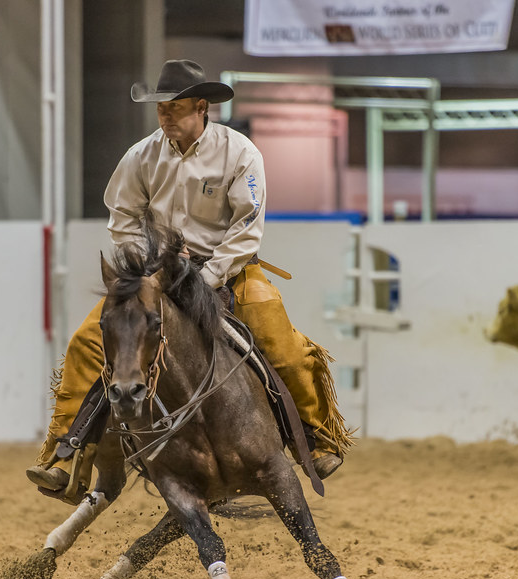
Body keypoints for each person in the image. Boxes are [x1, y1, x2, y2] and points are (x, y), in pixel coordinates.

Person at [26, 59, 352, 503]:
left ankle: (313, 440)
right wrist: (147, 264)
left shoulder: (240, 153)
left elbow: (246, 227)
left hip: (229, 270)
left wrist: (209, 275)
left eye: (174, 108)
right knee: (88, 341)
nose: (165, 116)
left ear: (202, 107)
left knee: (282, 343)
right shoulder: (141, 156)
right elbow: (122, 220)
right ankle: (63, 454)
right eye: (161, 109)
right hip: (157, 273)